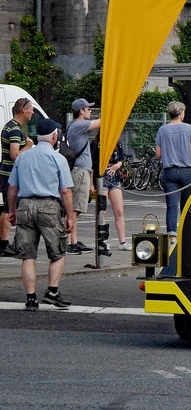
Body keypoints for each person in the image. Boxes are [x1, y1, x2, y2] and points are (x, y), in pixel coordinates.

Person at [7, 117, 74, 310]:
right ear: (55, 136)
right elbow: (66, 191)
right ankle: (52, 292)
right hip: (49, 206)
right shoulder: (58, 158)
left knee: (28, 256)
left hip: (25, 206)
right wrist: (69, 215)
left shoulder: (23, 157)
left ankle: (30, 299)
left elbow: (12, 188)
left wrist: (12, 211)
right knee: (58, 251)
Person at [154, 101, 191, 245]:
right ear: (180, 113)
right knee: (187, 206)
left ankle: (172, 238)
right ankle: (187, 235)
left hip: (170, 172)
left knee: (172, 206)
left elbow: (158, 154)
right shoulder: (189, 128)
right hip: (188, 172)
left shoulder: (162, 130)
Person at [0, 98, 35, 256]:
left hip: (7, 174)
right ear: (23, 110)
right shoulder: (14, 130)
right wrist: (28, 146)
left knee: (9, 209)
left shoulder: (11, 126)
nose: (33, 112)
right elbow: (15, 155)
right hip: (10, 176)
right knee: (9, 209)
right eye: (31, 109)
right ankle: (4, 244)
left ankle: (5, 242)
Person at [66, 98, 98, 254]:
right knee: (73, 209)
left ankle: (74, 241)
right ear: (81, 111)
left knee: (76, 208)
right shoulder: (78, 125)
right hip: (79, 171)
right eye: (88, 108)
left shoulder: (78, 127)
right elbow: (100, 123)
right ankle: (69, 242)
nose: (90, 111)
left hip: (81, 171)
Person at [101, 140, 130, 251]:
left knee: (119, 211)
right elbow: (94, 163)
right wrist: (92, 182)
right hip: (102, 180)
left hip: (115, 180)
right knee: (102, 212)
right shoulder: (98, 144)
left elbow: (122, 158)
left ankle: (122, 241)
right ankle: (103, 241)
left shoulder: (118, 143)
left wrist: (117, 165)